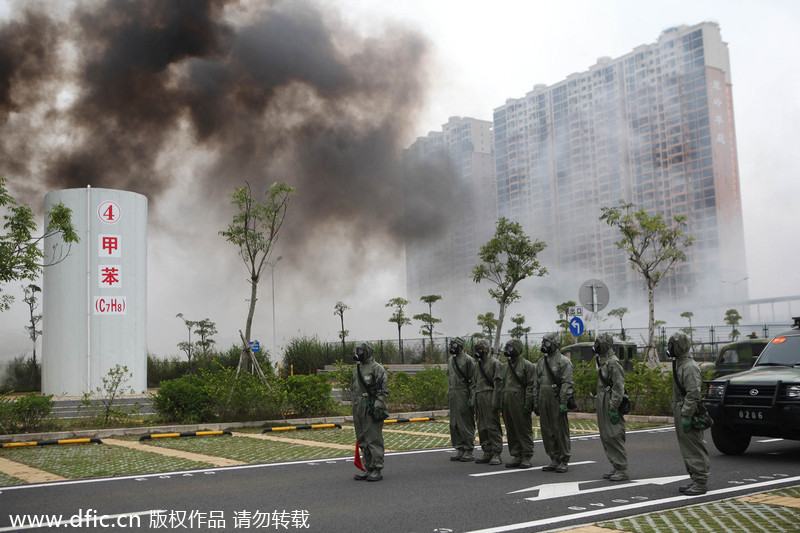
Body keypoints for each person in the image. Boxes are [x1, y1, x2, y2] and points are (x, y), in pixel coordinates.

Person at [669, 332, 710, 495]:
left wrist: (686, 415)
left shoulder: (689, 367)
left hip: (688, 412)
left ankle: (700, 482)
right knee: (688, 448)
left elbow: (693, 394)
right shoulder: (681, 364)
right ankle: (695, 479)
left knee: (694, 447)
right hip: (682, 410)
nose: (669, 349)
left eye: (672, 345)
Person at [534, 332, 574, 473]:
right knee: (547, 430)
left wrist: (563, 401)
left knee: (560, 430)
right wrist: (535, 401)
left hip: (556, 399)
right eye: (543, 342)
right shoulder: (541, 363)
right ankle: (554, 458)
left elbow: (567, 383)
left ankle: (563, 460)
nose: (544, 345)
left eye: (547, 343)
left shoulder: (563, 362)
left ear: (555, 344)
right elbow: (536, 384)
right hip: (543, 399)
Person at [352, 342, 389, 482]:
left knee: (373, 438)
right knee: (362, 438)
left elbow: (383, 390)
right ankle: (368, 467)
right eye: (357, 350)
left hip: (371, 407)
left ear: (367, 351)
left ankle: (377, 468)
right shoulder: (357, 369)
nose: (358, 353)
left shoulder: (376, 368)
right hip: (358, 407)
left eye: (361, 351)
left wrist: (378, 406)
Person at [594, 333, 629, 481]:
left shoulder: (613, 363)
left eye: (598, 343)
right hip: (603, 401)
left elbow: (618, 387)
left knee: (614, 435)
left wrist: (613, 407)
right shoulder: (604, 361)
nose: (595, 346)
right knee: (607, 436)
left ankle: (622, 469)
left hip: (610, 402)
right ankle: (616, 466)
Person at [500, 339, 536, 468]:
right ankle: (516, 455)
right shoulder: (505, 366)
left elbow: (531, 386)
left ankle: (527, 455)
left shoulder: (527, 365)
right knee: (511, 429)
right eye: (507, 347)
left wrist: (528, 404)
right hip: (507, 401)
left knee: (523, 429)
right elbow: (501, 385)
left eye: (511, 348)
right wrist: (500, 402)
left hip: (520, 401)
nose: (508, 350)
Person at [472, 338, 503, 465]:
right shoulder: (477, 365)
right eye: (476, 349)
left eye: (480, 349)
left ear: (485, 350)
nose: (478, 352)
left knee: (492, 426)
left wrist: (496, 402)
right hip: (479, 397)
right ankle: (487, 451)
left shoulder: (495, 364)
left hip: (490, 396)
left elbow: (498, 385)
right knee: (482, 426)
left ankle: (496, 453)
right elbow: (474, 384)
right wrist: (473, 401)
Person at [447, 337, 477, 461]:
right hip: (453, 393)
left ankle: (468, 449)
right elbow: (448, 377)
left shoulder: (468, 360)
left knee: (465, 422)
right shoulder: (450, 360)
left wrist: (471, 397)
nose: (453, 347)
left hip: (464, 393)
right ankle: (459, 448)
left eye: (455, 345)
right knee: (454, 424)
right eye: (452, 345)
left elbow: (473, 380)